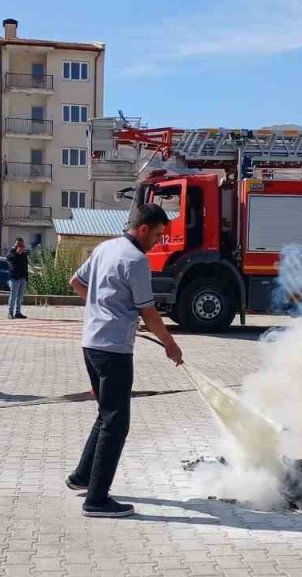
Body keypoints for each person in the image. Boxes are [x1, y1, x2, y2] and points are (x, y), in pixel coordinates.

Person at [66, 204, 183, 518]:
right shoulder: (136, 260)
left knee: (105, 415)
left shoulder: (106, 248)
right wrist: (170, 344)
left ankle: (82, 477)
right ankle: (96, 500)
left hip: (91, 344)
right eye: (157, 235)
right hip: (114, 350)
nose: (159, 241)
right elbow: (148, 311)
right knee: (117, 424)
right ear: (143, 228)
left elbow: (75, 281)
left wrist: (101, 309)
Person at [6, 238, 29, 319]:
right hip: (14, 278)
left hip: (22, 277)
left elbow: (25, 265)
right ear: (15, 245)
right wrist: (16, 253)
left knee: (20, 297)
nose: (21, 247)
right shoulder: (11, 252)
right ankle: (10, 313)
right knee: (13, 296)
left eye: (22, 245)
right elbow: (9, 258)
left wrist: (26, 277)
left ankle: (18, 312)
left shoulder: (24, 254)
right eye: (19, 245)